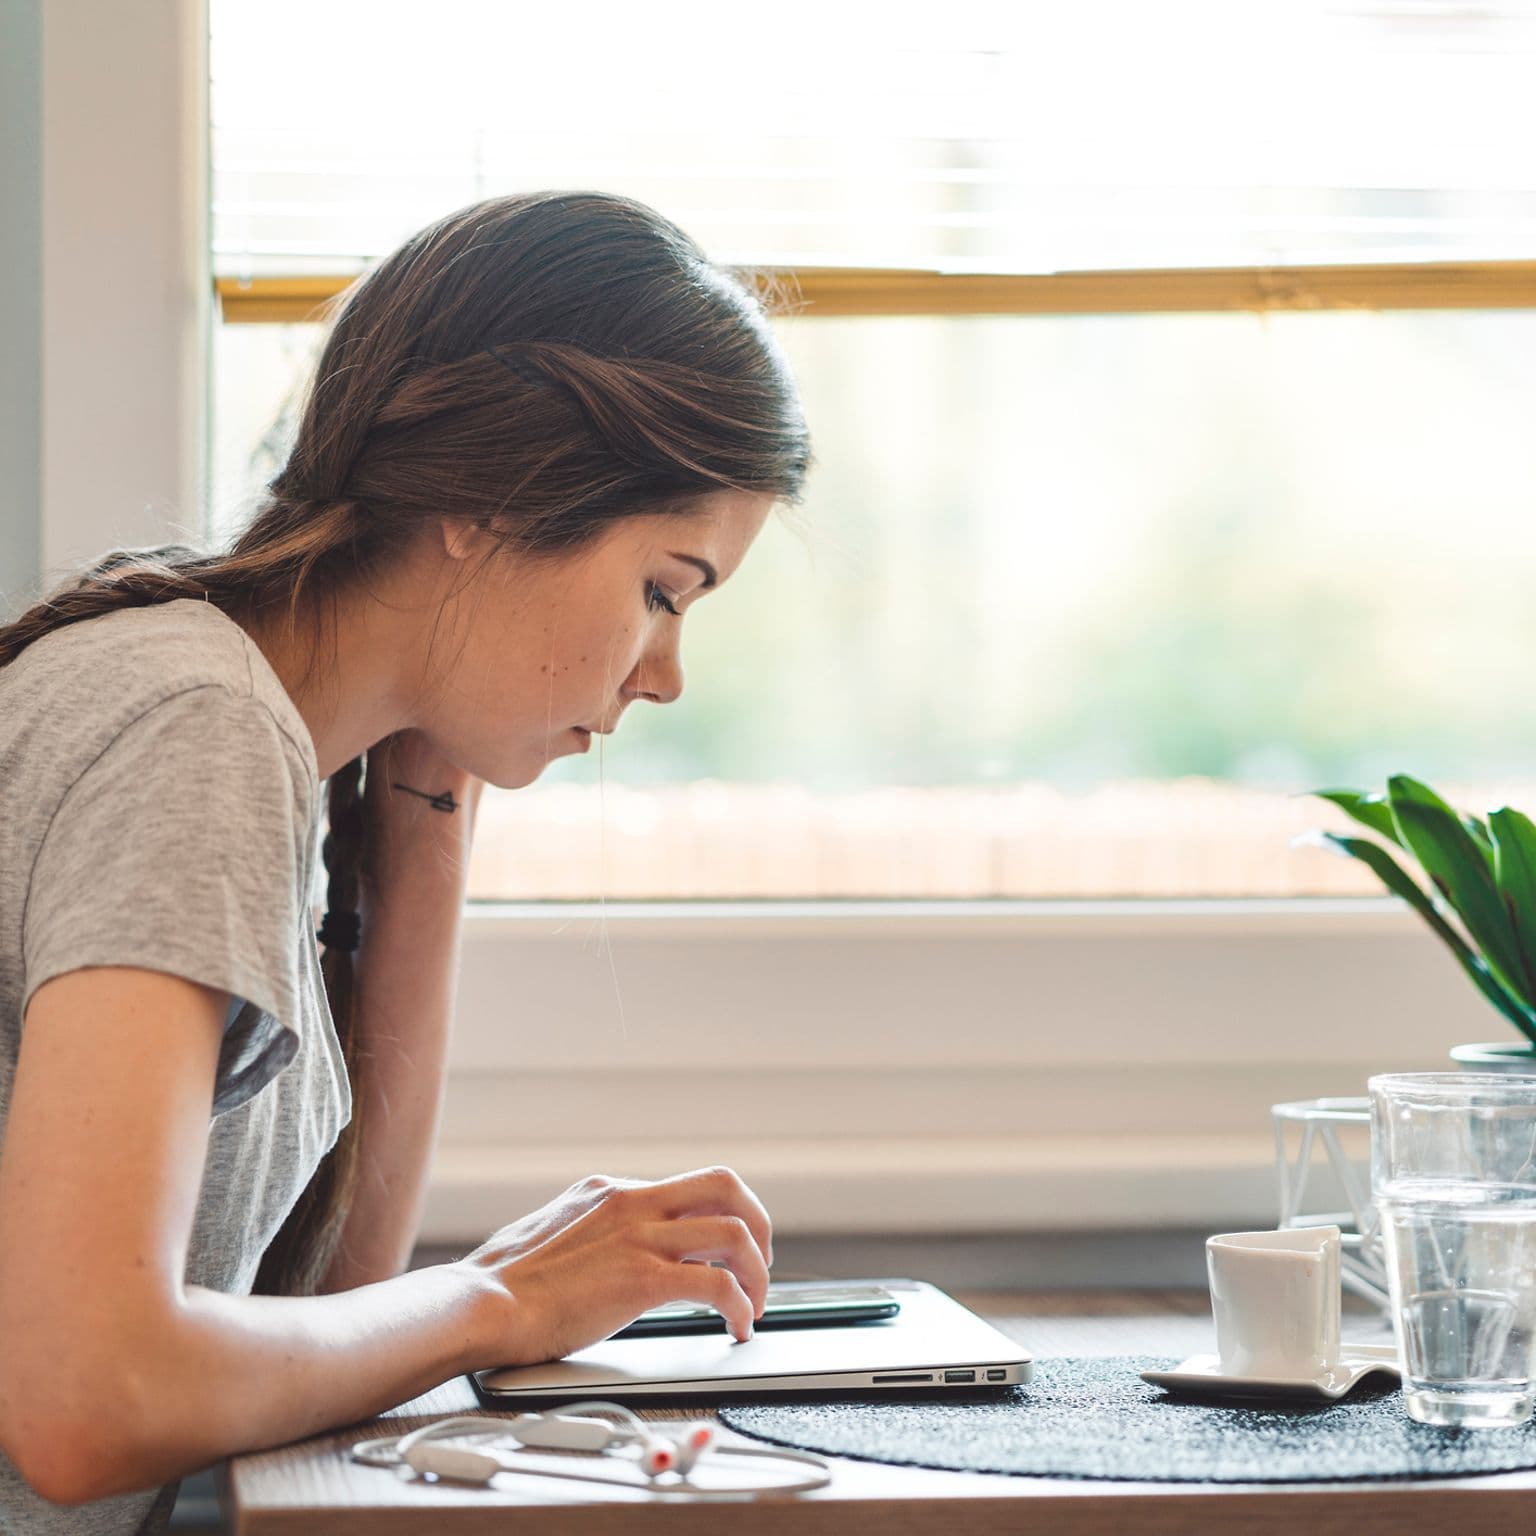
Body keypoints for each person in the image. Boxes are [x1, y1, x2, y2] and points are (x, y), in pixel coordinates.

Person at [0, 190, 811, 1531]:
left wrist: (426, 812)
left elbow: (324, 1319)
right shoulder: (195, 725)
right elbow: (92, 1400)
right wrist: (504, 1299)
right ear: (492, 504)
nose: (665, 675)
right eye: (665, 591)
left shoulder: (267, 730)